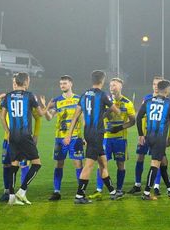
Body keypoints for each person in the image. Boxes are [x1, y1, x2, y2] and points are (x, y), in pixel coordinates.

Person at [64, 70, 121, 204]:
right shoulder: (102, 95)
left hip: (88, 133)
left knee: (103, 162)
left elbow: (75, 116)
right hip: (97, 134)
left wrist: (68, 134)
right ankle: (79, 195)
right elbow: (117, 112)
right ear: (103, 81)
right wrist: (113, 107)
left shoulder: (84, 95)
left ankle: (112, 191)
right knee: (89, 165)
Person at [0, 72, 47, 205]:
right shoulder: (29, 95)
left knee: (14, 164)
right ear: (26, 82)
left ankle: (11, 197)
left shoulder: (8, 96)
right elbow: (40, 114)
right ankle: (22, 190)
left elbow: (2, 116)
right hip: (25, 135)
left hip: (13, 135)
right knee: (37, 164)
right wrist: (45, 105)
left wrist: (7, 131)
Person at [90, 77, 135, 200]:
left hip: (120, 138)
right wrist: (109, 110)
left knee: (120, 164)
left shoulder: (128, 103)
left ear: (121, 87)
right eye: (110, 85)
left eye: (114, 85)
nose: (111, 87)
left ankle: (119, 189)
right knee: (102, 164)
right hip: (106, 138)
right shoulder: (105, 100)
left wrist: (120, 127)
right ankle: (99, 189)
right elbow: (101, 116)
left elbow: (132, 121)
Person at [135, 79, 170, 200]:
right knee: (155, 164)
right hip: (159, 139)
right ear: (166, 90)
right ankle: (147, 193)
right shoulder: (168, 103)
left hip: (149, 136)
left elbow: (138, 118)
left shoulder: (148, 101)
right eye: (169, 88)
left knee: (163, 162)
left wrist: (140, 134)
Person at [45, 75, 83, 200]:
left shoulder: (79, 99)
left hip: (75, 137)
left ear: (71, 84)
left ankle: (80, 191)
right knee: (59, 164)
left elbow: (82, 119)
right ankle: (56, 191)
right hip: (60, 138)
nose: (62, 85)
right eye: (61, 83)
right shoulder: (57, 100)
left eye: (65, 83)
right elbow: (49, 118)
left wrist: (85, 135)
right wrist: (45, 108)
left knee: (78, 163)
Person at [128, 75, 164, 195]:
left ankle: (156, 186)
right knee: (140, 157)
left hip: (159, 136)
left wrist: (168, 137)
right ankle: (137, 185)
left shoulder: (165, 99)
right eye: (154, 84)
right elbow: (141, 117)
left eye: (158, 84)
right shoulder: (147, 98)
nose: (156, 87)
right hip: (146, 135)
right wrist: (141, 134)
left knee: (158, 160)